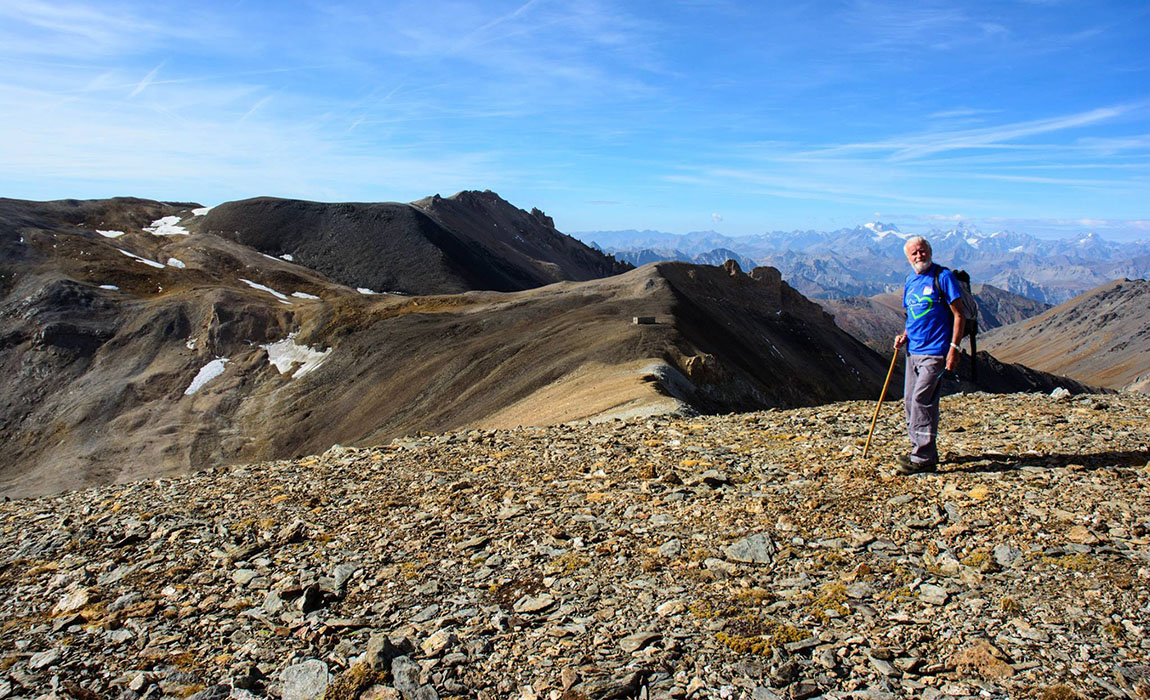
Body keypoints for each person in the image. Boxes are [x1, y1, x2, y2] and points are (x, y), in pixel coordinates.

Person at [892, 236, 965, 475]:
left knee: (922, 400)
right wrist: (904, 336)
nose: (919, 256)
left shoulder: (943, 277)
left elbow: (959, 314)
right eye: (914, 253)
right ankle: (920, 449)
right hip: (912, 351)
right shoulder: (911, 280)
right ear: (908, 258)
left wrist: (953, 349)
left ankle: (923, 457)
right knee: (910, 402)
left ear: (930, 252)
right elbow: (913, 316)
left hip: (935, 352)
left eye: (922, 251)